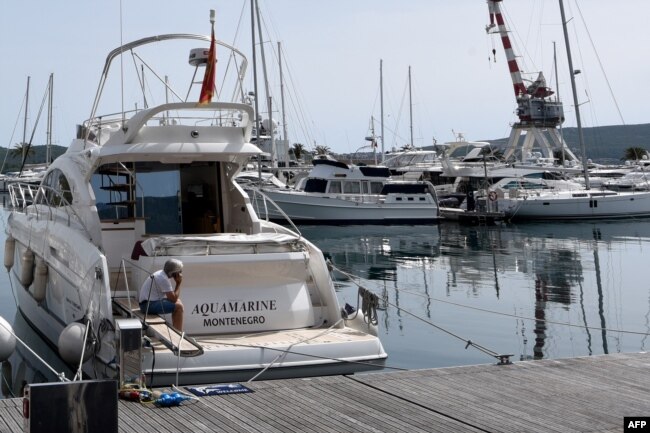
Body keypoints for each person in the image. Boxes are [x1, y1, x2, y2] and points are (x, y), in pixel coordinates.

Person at [139, 259, 184, 331]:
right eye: (179, 271)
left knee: (178, 302)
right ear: (174, 273)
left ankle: (176, 331)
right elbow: (173, 299)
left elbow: (173, 298)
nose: (180, 274)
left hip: (146, 303)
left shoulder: (161, 274)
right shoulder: (163, 279)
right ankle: (178, 334)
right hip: (147, 306)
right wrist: (178, 283)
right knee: (179, 307)